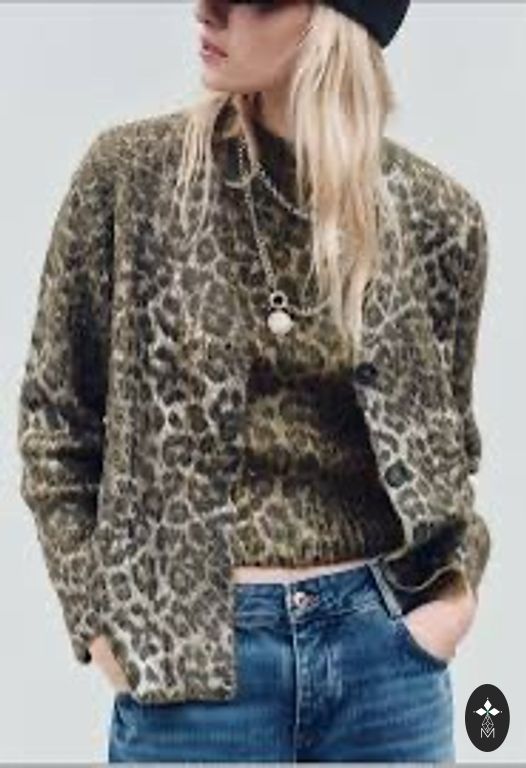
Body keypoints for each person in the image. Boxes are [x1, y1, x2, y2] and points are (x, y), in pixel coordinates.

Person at [17, 0, 490, 761]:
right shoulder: (133, 180)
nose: (208, 9)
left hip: (385, 667)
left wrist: (447, 608)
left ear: (334, 22)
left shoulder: (436, 218)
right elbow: (56, 424)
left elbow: (447, 448)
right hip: (194, 672)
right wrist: (103, 626)